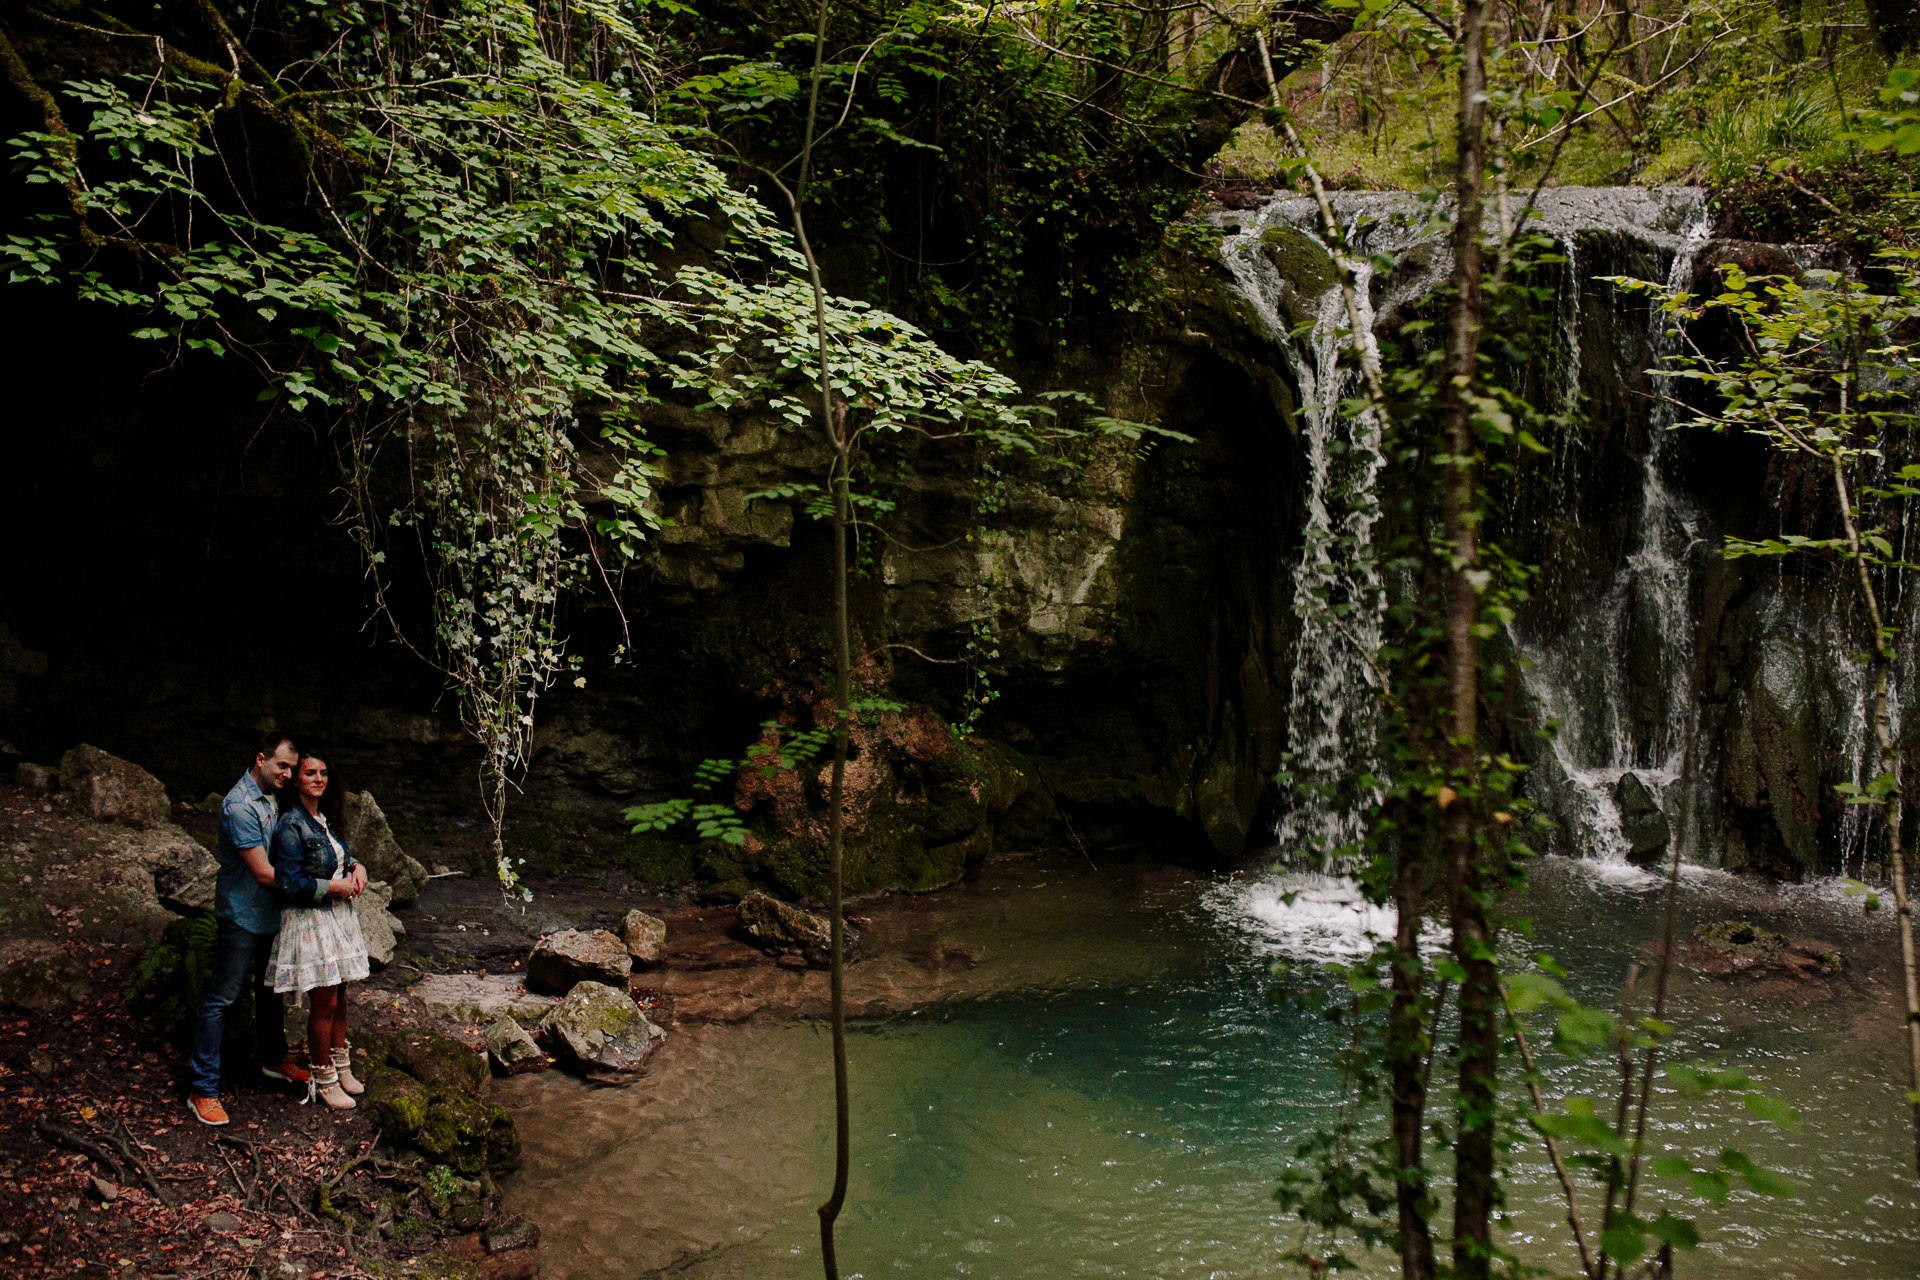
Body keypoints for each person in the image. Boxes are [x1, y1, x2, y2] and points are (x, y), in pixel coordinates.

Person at [188, 732, 311, 1127]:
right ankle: (202, 1089)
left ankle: (274, 1060)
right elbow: (262, 872)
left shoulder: (278, 795)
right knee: (222, 999)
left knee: (270, 990)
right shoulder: (239, 806)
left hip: (272, 915)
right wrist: (319, 885)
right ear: (260, 759)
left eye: (292, 768)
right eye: (282, 766)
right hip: (241, 915)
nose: (288, 774)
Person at [268, 747, 370, 1110]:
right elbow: (289, 882)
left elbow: (336, 854)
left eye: (323, 773)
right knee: (324, 1001)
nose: (318, 779)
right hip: (310, 919)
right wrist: (335, 887)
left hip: (336, 916)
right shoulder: (290, 824)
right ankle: (323, 1077)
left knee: (340, 995)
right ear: (296, 778)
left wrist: (357, 868)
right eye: (310, 773)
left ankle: (342, 1067)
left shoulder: (323, 817)